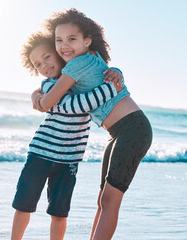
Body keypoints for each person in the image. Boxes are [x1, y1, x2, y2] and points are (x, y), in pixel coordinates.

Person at [33, 9, 153, 240]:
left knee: (110, 200)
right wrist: (35, 95)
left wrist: (38, 100)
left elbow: (48, 101)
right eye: (59, 40)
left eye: (72, 39)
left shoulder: (78, 64)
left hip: (132, 130)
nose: (64, 46)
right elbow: (51, 87)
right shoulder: (89, 58)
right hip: (119, 132)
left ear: (87, 41)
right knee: (103, 199)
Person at [11, 31, 124, 240]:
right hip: (40, 155)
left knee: (59, 212)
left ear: (57, 53)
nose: (44, 65)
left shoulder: (79, 82)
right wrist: (112, 88)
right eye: (37, 64)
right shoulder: (48, 87)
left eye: (46, 57)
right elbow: (77, 106)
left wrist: (116, 73)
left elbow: (100, 70)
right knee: (24, 205)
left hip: (69, 160)